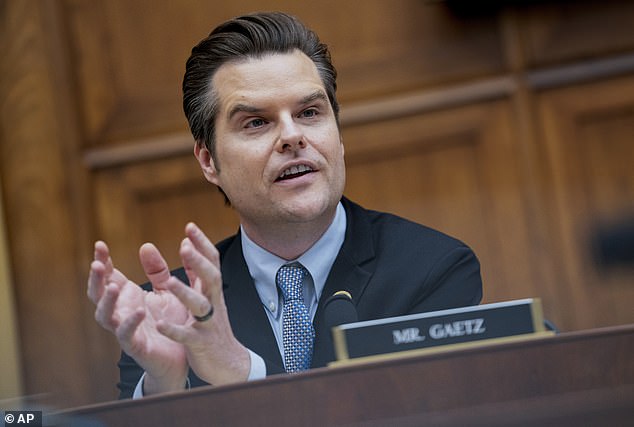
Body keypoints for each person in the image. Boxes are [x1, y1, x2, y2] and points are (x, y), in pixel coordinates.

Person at [87, 11, 482, 400]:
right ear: (209, 161)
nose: (292, 137)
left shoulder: (434, 269)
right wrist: (166, 387)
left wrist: (241, 372)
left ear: (339, 137)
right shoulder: (172, 312)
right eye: (256, 122)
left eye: (309, 113)